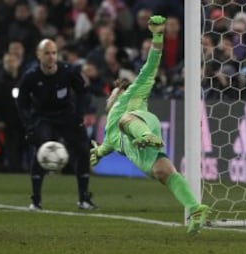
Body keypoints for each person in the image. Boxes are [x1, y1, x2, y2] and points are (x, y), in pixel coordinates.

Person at [89, 15, 209, 236]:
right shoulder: (109, 133)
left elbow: (151, 64)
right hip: (141, 156)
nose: (113, 95)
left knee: (126, 120)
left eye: (117, 91)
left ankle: (146, 135)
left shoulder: (133, 94)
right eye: (112, 93)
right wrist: (97, 152)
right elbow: (105, 148)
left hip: (144, 123)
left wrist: (157, 36)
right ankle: (195, 208)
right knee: (164, 172)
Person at [17, 38, 96, 210]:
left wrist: (79, 115)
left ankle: (84, 198)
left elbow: (82, 91)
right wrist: (29, 124)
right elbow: (21, 103)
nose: (51, 57)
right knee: (41, 151)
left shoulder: (68, 71)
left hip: (67, 116)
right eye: (47, 53)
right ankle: (36, 200)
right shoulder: (30, 76)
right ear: (39, 55)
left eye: (54, 53)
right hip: (43, 118)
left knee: (83, 151)